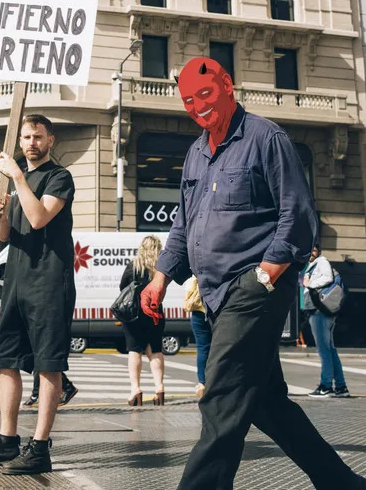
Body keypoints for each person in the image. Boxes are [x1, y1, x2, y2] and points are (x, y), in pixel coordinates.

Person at [140, 57, 366, 490]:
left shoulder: (266, 138)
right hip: (215, 294)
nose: (198, 106)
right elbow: (184, 224)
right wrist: (160, 275)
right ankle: (340, 482)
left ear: (227, 85)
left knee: (222, 395)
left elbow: (297, 215)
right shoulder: (195, 152)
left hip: (253, 286)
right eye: (189, 100)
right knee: (265, 403)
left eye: (205, 94)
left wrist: (267, 271)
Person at [0, 114, 75, 476]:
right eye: (26, 136)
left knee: (47, 363)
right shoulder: (19, 183)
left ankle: (40, 447)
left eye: (37, 136)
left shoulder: (59, 177)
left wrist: (16, 178)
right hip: (16, 281)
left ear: (50, 141)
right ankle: (7, 438)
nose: (30, 142)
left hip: (48, 282)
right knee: (6, 358)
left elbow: (40, 217)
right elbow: (6, 236)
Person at [118, 235, 165, 407]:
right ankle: (159, 389)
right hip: (155, 313)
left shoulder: (134, 266)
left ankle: (135, 389)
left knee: (134, 350)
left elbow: (123, 287)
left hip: (135, 315)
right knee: (156, 350)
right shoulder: (160, 268)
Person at [302, 244, 350, 399]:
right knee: (330, 350)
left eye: (314, 250)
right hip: (320, 311)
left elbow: (328, 278)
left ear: (318, 252)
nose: (311, 253)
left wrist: (309, 284)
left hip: (320, 311)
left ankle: (326, 386)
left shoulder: (321, 261)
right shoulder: (311, 265)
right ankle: (341, 387)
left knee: (324, 350)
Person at [183, 276, 211, 400]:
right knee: (220, 347)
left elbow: (189, 289)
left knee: (202, 348)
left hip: (199, 312)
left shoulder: (197, 272)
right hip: (218, 312)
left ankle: (202, 383)